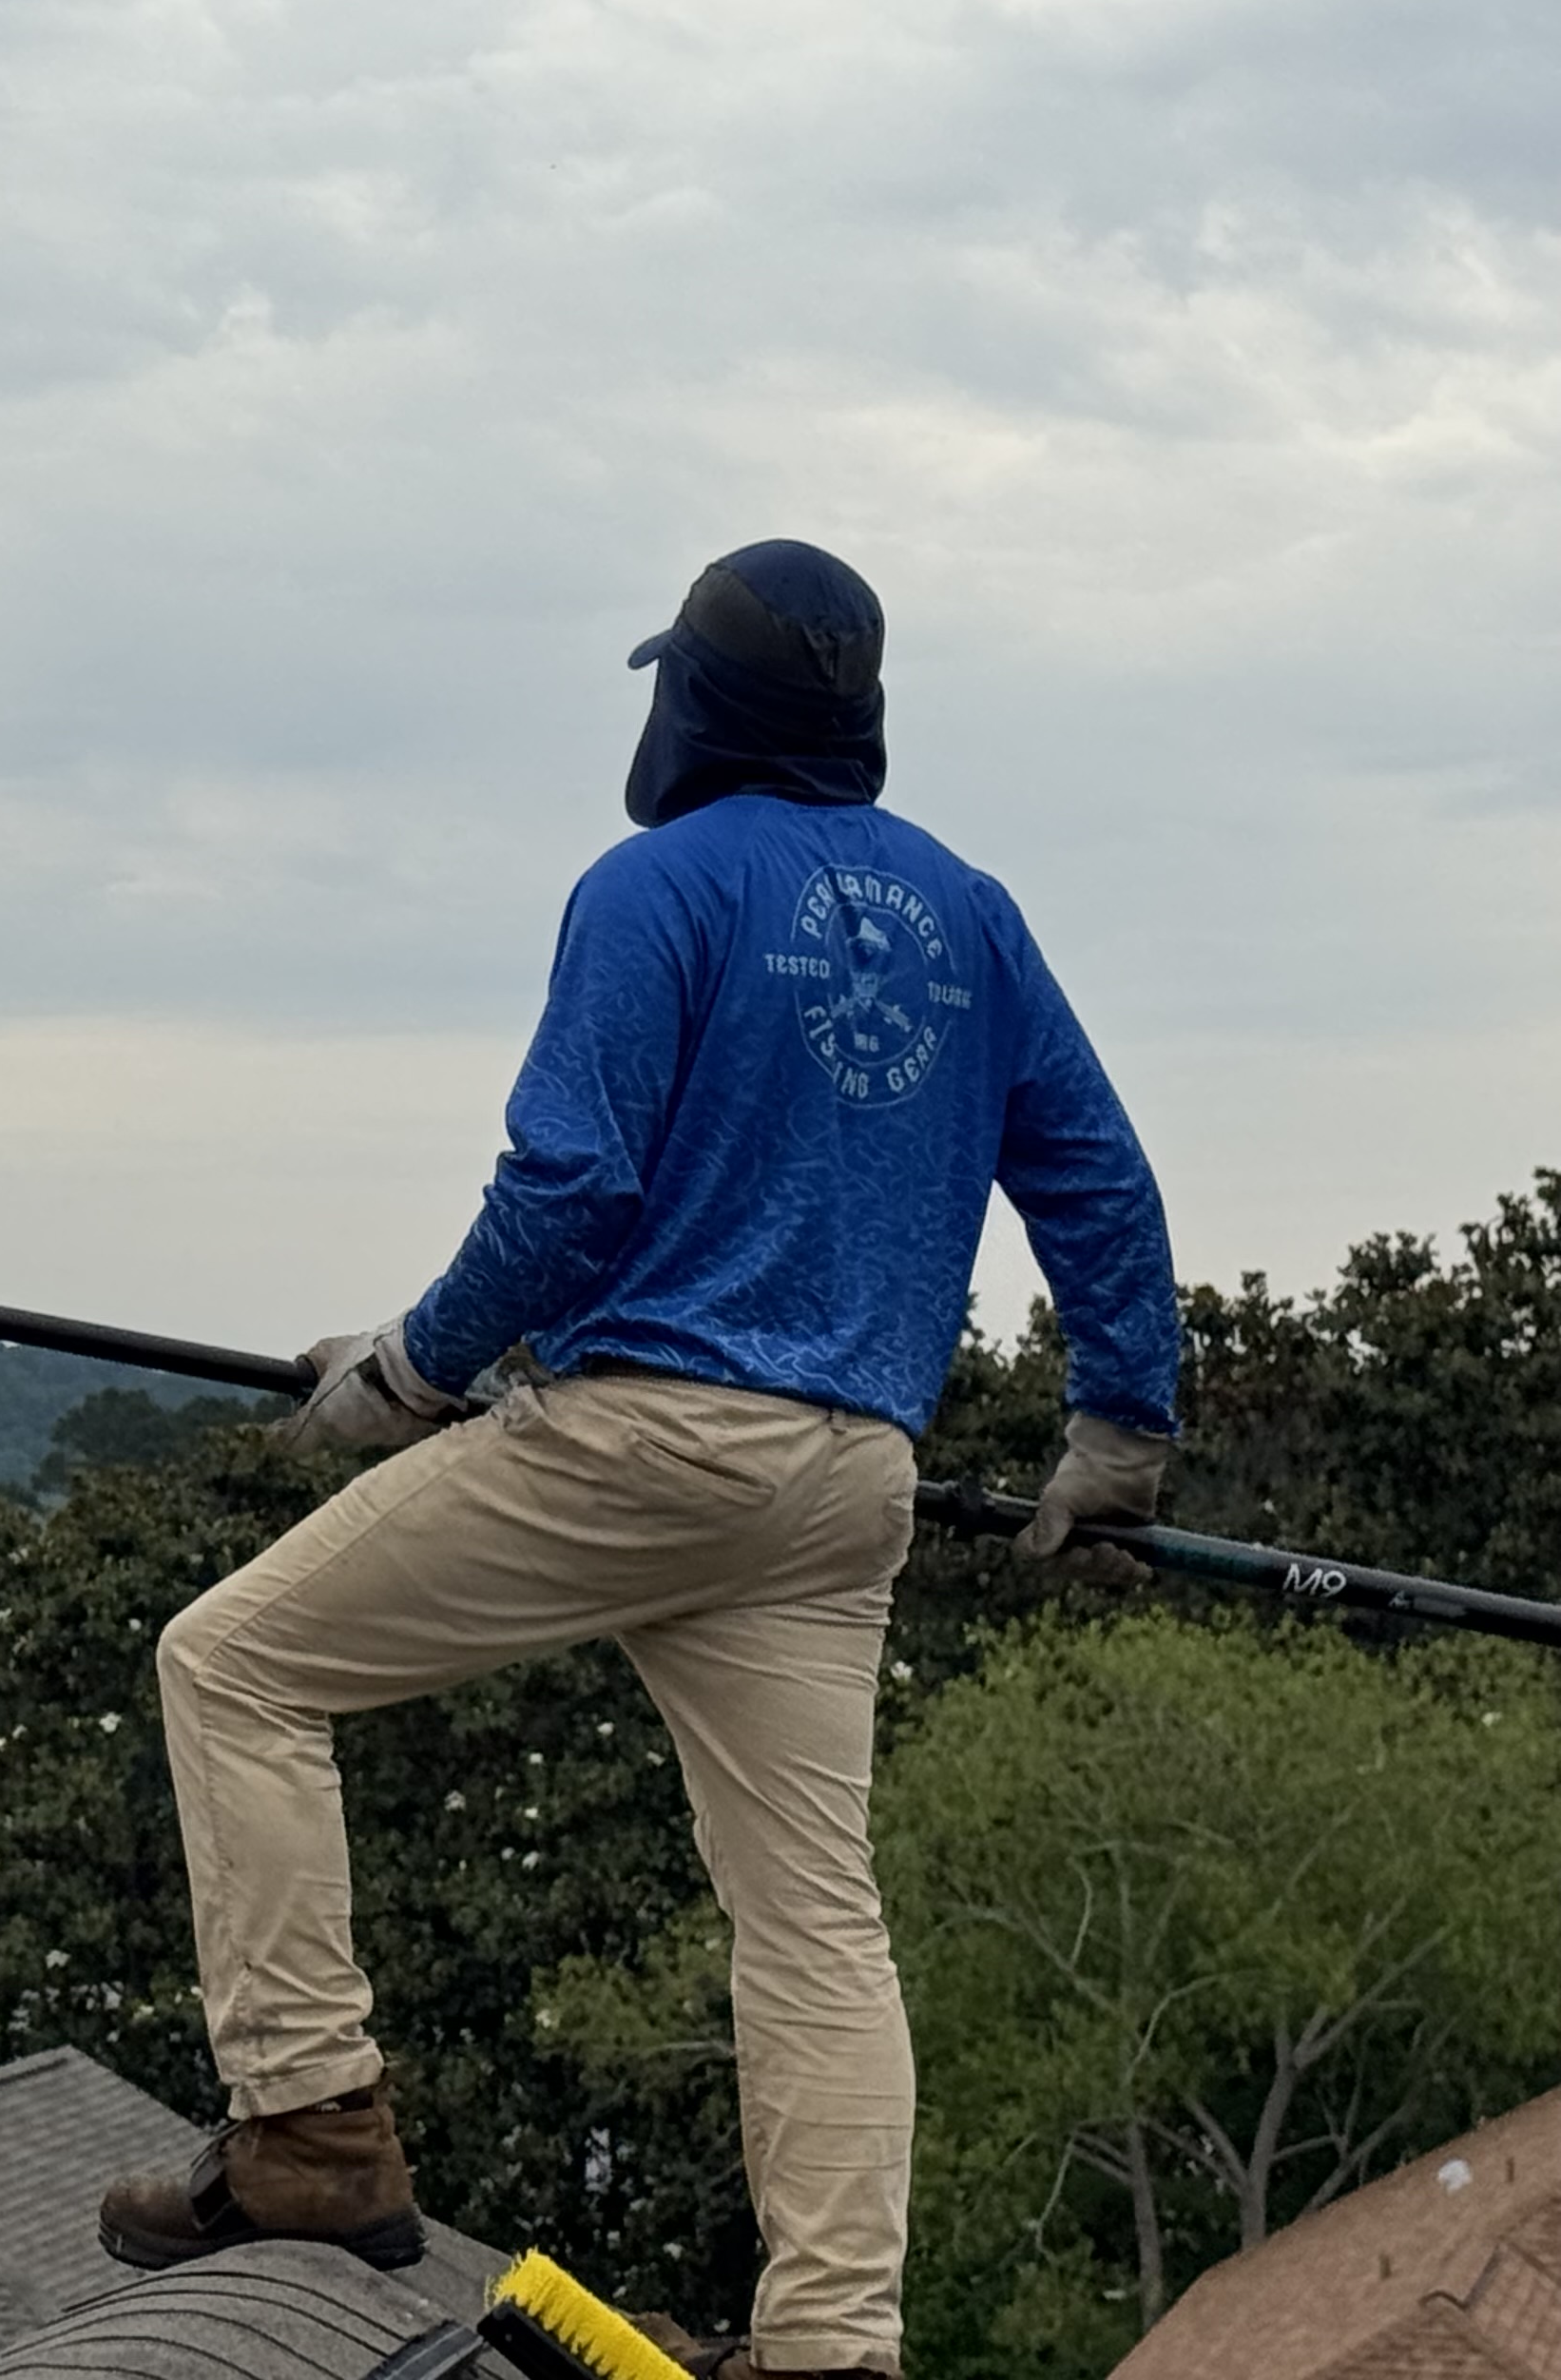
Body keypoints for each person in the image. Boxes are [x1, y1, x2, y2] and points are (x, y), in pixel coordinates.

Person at [93, 540, 1177, 2380]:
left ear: (694, 704)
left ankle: (310, 2126)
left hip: (650, 1443)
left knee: (236, 1666)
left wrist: (412, 1374)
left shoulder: (656, 885)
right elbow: (1093, 1171)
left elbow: (576, 1189)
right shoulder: (968, 911)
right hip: (849, 1487)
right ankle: (832, 2349)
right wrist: (1121, 1429)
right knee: (813, 1921)